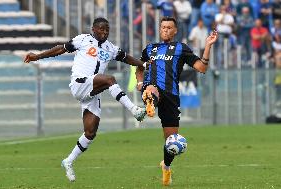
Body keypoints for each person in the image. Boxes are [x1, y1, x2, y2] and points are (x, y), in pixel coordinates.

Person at [24, 17, 149, 182]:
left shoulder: (111, 48)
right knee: (110, 79)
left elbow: (127, 58)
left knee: (90, 132)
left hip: (92, 90)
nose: (104, 32)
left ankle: (68, 161)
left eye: (107, 30)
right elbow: (61, 49)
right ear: (93, 29)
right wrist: (37, 56)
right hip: (79, 83)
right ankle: (134, 110)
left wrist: (144, 65)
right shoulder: (83, 39)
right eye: (101, 29)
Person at [135, 16, 218, 186]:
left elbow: (202, 68)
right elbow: (139, 66)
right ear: (160, 29)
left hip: (171, 96)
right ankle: (150, 101)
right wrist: (139, 81)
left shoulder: (181, 48)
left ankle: (166, 166)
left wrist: (208, 45)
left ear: (175, 31)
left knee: (171, 141)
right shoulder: (150, 49)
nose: (165, 30)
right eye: (163, 27)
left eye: (169, 27)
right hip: (152, 87)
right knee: (152, 89)